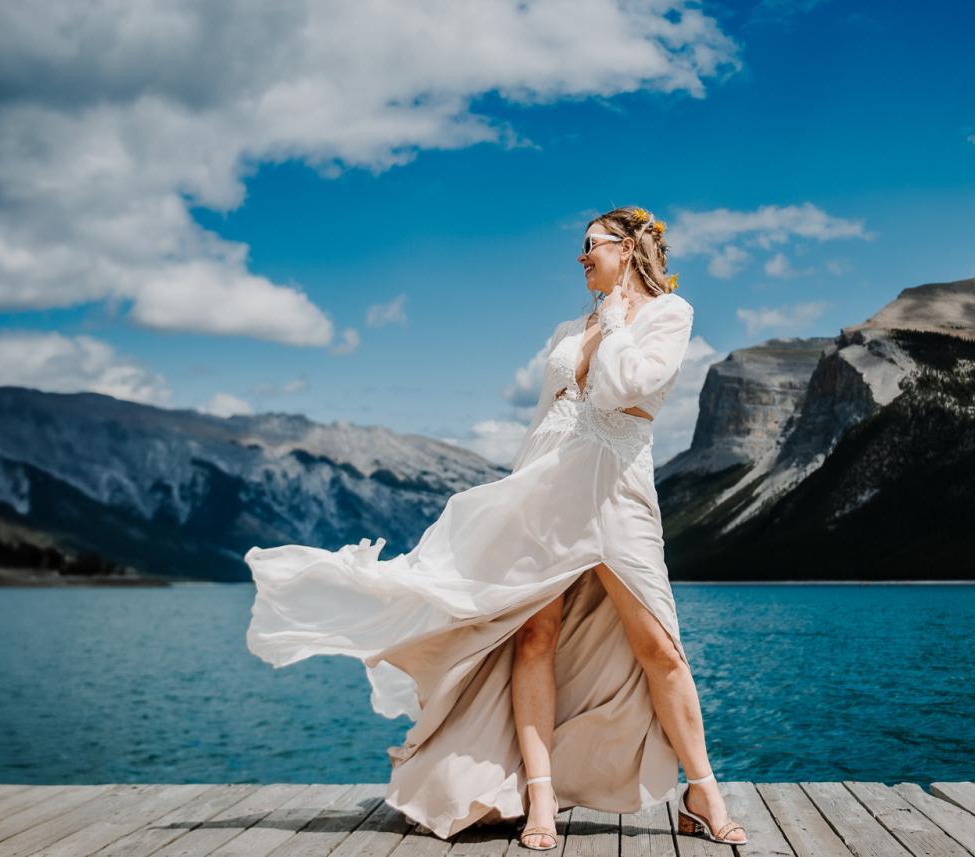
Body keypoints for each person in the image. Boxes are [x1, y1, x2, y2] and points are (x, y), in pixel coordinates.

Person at [243, 206, 748, 850]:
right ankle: (540, 797)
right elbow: (545, 417)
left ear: (626, 248)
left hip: (619, 495)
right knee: (533, 638)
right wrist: (512, 502)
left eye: (591, 245)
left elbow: (625, 387)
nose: (581, 257)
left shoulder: (670, 315)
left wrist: (618, 318)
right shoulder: (569, 328)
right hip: (547, 493)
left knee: (660, 648)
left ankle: (703, 793)